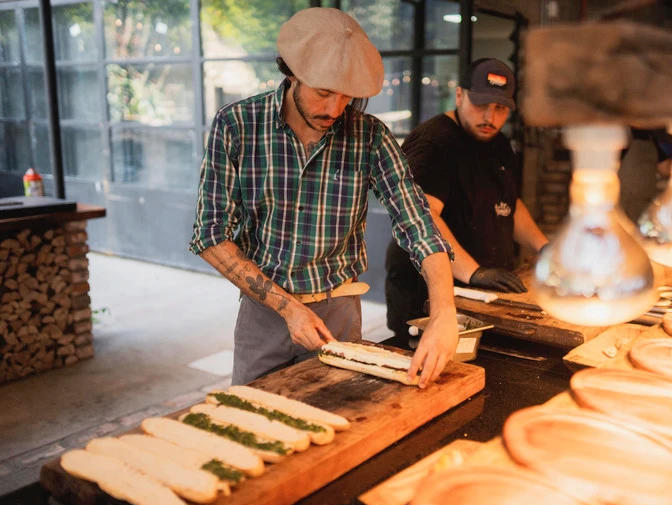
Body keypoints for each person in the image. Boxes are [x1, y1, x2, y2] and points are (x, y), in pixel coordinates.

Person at [189, 8, 458, 389]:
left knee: (341, 422)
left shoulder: (370, 137)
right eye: (324, 92)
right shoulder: (237, 126)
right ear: (292, 73)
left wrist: (444, 311)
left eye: (347, 96)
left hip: (339, 311)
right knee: (254, 419)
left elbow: (417, 223)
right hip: (264, 311)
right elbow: (210, 234)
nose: (335, 110)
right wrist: (289, 308)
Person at [385, 58, 549, 341]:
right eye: (481, 105)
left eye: (500, 109)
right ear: (459, 95)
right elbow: (423, 217)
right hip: (426, 297)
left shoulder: (497, 143)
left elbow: (509, 205)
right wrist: (474, 272)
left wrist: (544, 247)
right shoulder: (434, 143)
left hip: (482, 296)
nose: (489, 117)